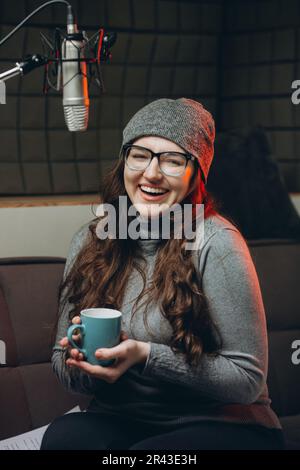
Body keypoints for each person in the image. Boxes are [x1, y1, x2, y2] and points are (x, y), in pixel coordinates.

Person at [41, 98, 285, 450]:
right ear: (124, 161)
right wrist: (84, 364)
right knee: (63, 439)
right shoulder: (92, 240)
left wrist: (144, 356)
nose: (152, 173)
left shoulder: (217, 242)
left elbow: (246, 380)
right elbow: (62, 363)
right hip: (125, 418)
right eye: (140, 155)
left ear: (195, 175)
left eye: (173, 160)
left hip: (222, 423)